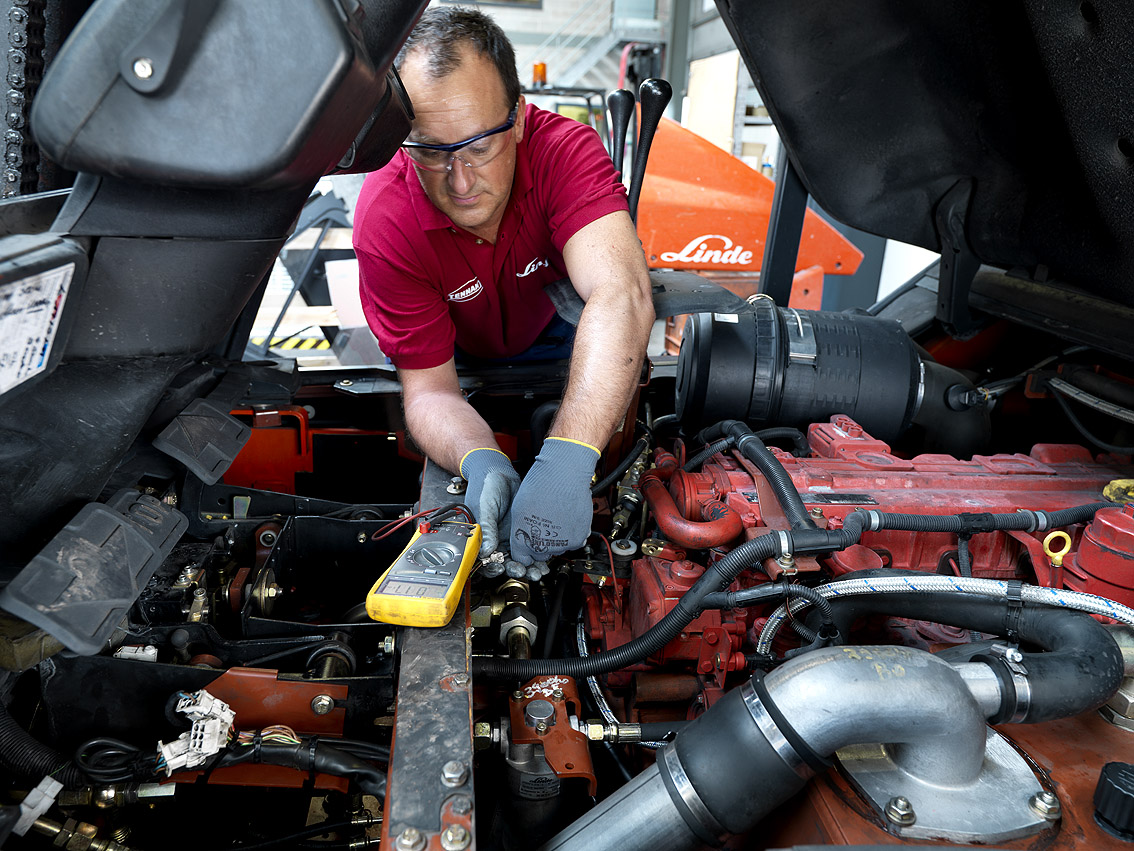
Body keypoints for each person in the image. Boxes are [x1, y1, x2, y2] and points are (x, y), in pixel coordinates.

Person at [353, 8, 654, 566]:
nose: (460, 181)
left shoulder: (563, 152)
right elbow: (430, 390)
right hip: (457, 356)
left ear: (516, 116)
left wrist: (568, 459)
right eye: (431, 152)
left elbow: (621, 294)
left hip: (566, 345)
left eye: (479, 146)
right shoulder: (386, 215)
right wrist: (481, 459)